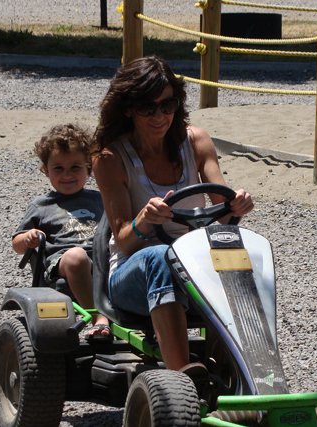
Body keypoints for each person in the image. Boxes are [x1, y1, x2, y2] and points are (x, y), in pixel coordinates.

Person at [91, 56, 253, 385]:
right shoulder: (110, 158)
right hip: (133, 274)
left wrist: (237, 205)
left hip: (194, 266)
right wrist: (144, 220)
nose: (160, 116)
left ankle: (254, 372)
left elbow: (223, 213)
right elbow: (123, 239)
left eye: (168, 105)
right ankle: (183, 378)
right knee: (161, 257)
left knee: (242, 252)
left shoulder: (196, 142)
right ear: (128, 109)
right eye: (148, 108)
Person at [12, 123, 110, 340]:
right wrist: (28, 238)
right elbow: (17, 245)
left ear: (88, 168)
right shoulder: (42, 205)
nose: (67, 175)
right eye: (58, 168)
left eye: (75, 167)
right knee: (77, 257)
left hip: (104, 260)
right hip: (64, 266)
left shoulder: (100, 199)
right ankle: (98, 318)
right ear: (45, 170)